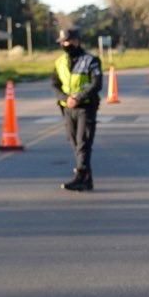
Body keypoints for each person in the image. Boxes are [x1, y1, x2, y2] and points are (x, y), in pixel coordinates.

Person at [52, 27, 102, 191]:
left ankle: (80, 177)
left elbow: (97, 84)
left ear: (76, 41)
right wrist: (66, 99)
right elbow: (55, 85)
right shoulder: (59, 62)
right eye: (62, 42)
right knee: (75, 143)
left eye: (66, 41)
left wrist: (78, 97)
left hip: (85, 107)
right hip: (67, 108)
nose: (64, 45)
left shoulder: (91, 60)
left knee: (83, 143)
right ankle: (87, 179)